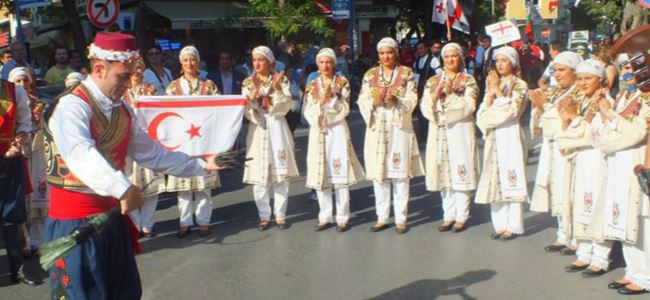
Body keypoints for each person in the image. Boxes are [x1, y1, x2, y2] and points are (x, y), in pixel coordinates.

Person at [44, 32, 224, 299]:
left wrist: (202, 164)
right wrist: (124, 188)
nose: (128, 85)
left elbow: (151, 153)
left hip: (111, 218)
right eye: (123, 77)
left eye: (130, 77)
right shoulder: (72, 106)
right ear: (99, 69)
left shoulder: (122, 111)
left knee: (125, 293)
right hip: (74, 223)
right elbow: (79, 152)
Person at [592, 55, 650, 295]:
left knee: (640, 220)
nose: (627, 72)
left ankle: (646, 276)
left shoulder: (646, 98)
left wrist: (610, 116)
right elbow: (604, 132)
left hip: (634, 159)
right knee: (624, 218)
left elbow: (634, 133)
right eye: (624, 67)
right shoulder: (624, 96)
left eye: (632, 67)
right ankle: (632, 271)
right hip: (618, 160)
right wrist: (609, 119)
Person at [357, 37, 424, 234]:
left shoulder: (406, 73)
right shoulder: (370, 75)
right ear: (378, 56)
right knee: (380, 175)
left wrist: (397, 99)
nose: (386, 56)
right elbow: (362, 99)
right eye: (382, 53)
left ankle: (401, 218)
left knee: (400, 173)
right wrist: (374, 103)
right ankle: (382, 217)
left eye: (390, 52)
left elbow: (413, 98)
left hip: (398, 127)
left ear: (396, 53)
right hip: (377, 126)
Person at [555, 59, 612, 277]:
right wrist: (568, 122)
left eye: (588, 78)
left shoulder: (604, 101)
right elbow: (568, 128)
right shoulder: (578, 99)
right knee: (579, 202)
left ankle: (600, 257)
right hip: (580, 158)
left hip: (596, 158)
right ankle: (584, 252)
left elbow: (594, 134)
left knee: (596, 204)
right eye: (579, 78)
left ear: (600, 80)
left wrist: (573, 121)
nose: (582, 83)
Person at [304, 48, 365, 232]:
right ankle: (324, 216)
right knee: (321, 172)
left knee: (340, 172)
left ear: (334, 63)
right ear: (317, 64)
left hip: (337, 129)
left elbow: (345, 107)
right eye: (322, 62)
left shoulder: (342, 83)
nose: (325, 66)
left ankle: (342, 216)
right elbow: (308, 110)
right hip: (318, 130)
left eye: (328, 62)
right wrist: (321, 104)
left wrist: (330, 102)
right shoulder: (312, 84)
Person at [421, 42, 480, 233]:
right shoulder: (432, 81)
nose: (450, 60)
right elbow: (424, 106)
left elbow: (470, 106)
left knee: (460, 169)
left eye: (454, 56)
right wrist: (435, 96)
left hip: (459, 129)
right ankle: (448, 215)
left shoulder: (468, 80)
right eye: (446, 57)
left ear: (460, 58)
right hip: (439, 129)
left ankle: (462, 215)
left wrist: (453, 93)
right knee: (444, 172)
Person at [528, 51, 583, 254]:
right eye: (555, 71)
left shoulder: (578, 93)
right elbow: (541, 122)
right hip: (552, 146)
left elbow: (560, 123)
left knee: (570, 190)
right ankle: (563, 234)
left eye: (562, 70)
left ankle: (577, 236)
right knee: (557, 188)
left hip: (569, 148)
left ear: (575, 71)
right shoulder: (555, 92)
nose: (557, 75)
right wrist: (539, 106)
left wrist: (544, 107)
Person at [165, 45, 221, 238]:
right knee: (184, 185)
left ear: (198, 62)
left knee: (204, 184)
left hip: (203, 139)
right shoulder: (173, 87)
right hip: (182, 141)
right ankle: (185, 221)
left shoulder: (209, 85)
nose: (190, 63)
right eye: (186, 60)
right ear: (181, 63)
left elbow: (219, 109)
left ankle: (204, 221)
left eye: (193, 60)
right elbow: (167, 113)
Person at [475, 46, 529, 240]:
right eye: (497, 60)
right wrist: (491, 94)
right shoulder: (492, 83)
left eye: (504, 60)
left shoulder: (520, 85)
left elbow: (513, 110)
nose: (499, 64)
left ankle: (514, 225)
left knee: (511, 176)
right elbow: (482, 115)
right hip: (494, 135)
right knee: (494, 175)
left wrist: (497, 91)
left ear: (512, 63)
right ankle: (499, 224)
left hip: (510, 134)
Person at [242, 46, 299, 230]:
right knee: (260, 175)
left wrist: (277, 92)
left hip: (276, 125)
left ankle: (280, 214)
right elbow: (244, 109)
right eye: (254, 60)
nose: (257, 63)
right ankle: (264, 215)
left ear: (270, 62)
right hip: (258, 128)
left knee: (280, 175)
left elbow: (288, 104)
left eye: (261, 59)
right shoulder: (248, 83)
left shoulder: (281, 80)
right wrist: (252, 100)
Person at [0, 67, 40, 286]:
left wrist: (17, 144)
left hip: (8, 159)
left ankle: (19, 269)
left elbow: (25, 122)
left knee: (12, 216)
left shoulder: (14, 91)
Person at [123, 58, 166, 238]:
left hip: (147, 140)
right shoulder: (121, 92)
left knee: (150, 184)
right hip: (126, 142)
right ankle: (136, 223)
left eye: (139, 67)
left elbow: (160, 113)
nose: (137, 71)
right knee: (129, 183)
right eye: (133, 68)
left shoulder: (151, 90)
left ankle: (147, 224)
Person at [8, 67, 47, 255]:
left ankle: (39, 241)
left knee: (39, 198)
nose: (22, 84)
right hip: (17, 155)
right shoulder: (7, 102)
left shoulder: (39, 104)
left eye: (25, 81)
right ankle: (24, 241)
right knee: (20, 200)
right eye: (18, 82)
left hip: (36, 154)